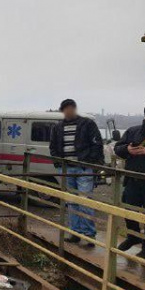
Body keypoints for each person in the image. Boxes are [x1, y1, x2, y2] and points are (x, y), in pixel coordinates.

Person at [49, 99, 104, 246]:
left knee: (84, 201)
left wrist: (90, 162)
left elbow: (97, 144)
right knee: (71, 202)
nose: (68, 111)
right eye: (65, 109)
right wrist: (58, 162)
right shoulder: (57, 127)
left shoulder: (87, 124)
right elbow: (53, 147)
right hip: (66, 168)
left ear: (74, 109)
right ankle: (75, 232)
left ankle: (89, 234)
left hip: (83, 167)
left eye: (70, 108)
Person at [113, 103, 145, 261]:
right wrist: (128, 150)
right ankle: (133, 236)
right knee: (128, 210)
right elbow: (117, 148)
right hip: (133, 179)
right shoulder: (133, 131)